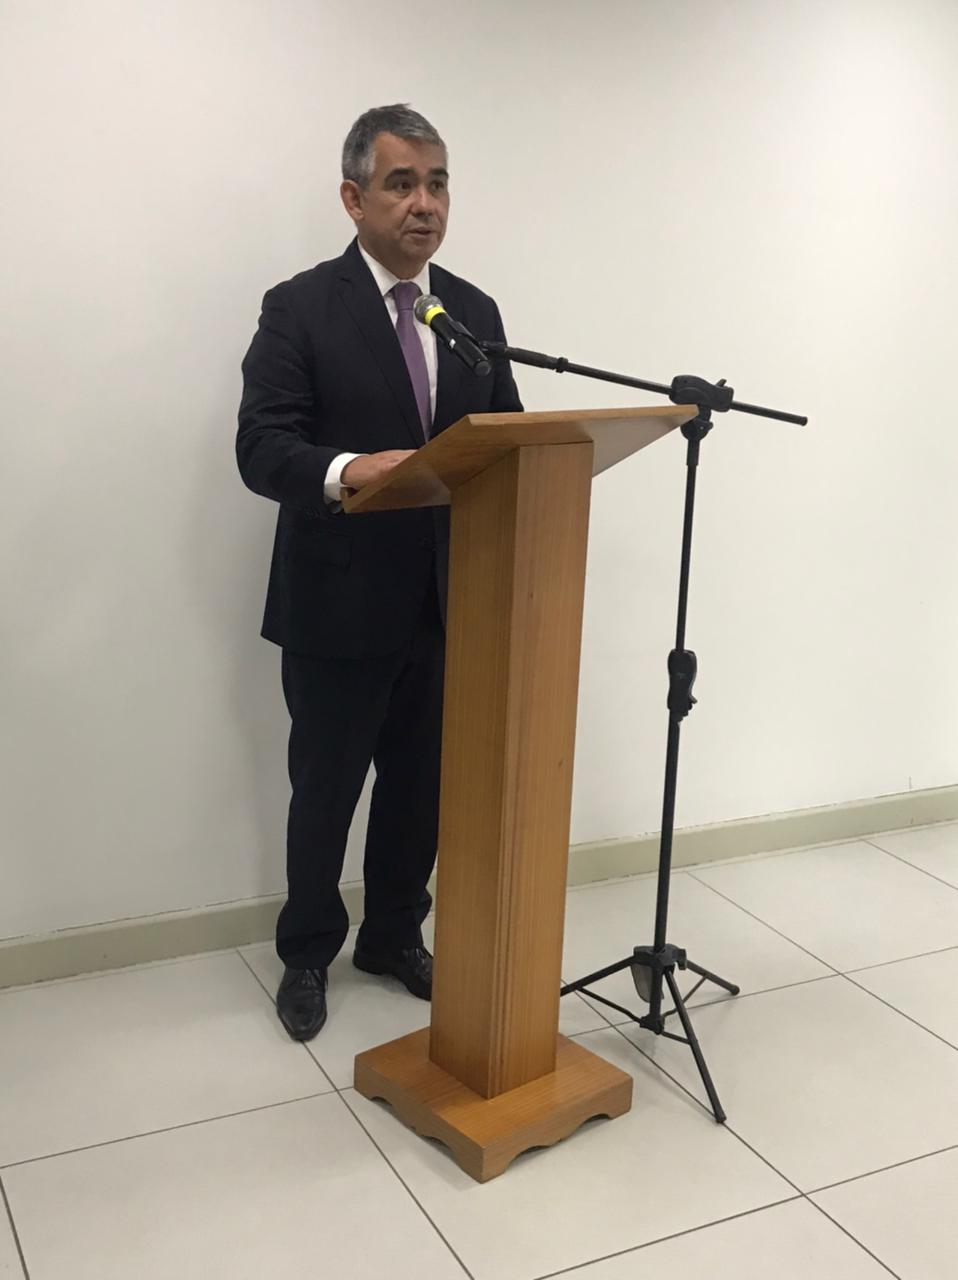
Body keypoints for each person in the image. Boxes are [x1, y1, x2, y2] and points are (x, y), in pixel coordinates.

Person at [236, 105, 523, 1041]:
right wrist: (353, 469)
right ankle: (307, 952)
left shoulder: (472, 313)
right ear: (354, 199)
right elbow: (261, 446)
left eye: (437, 184)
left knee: (418, 789)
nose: (424, 204)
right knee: (326, 790)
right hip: (337, 602)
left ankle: (395, 934)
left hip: (448, 602)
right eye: (402, 184)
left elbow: (508, 437)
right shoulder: (300, 307)